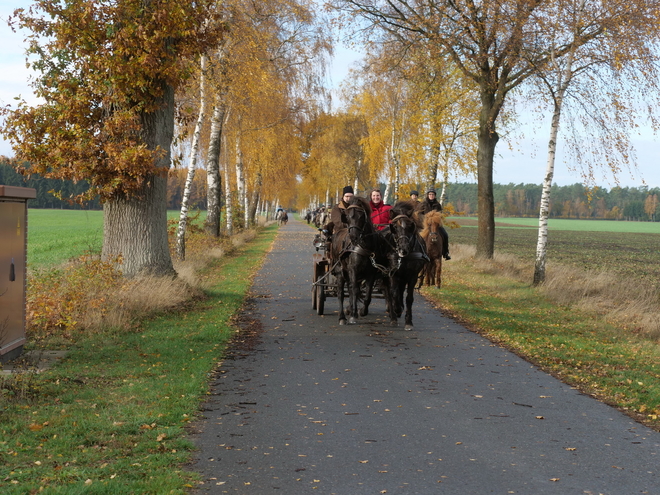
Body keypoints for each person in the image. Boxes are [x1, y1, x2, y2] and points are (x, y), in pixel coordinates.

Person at [420, 189, 451, 260]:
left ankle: (445, 252)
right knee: (418, 236)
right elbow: (419, 214)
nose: (431, 196)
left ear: (435, 196)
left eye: (433, 194)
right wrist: (425, 219)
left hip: (436, 225)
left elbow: (440, 215)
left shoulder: (437, 205)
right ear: (428, 195)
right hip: (426, 225)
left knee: (445, 235)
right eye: (430, 194)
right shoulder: (423, 204)